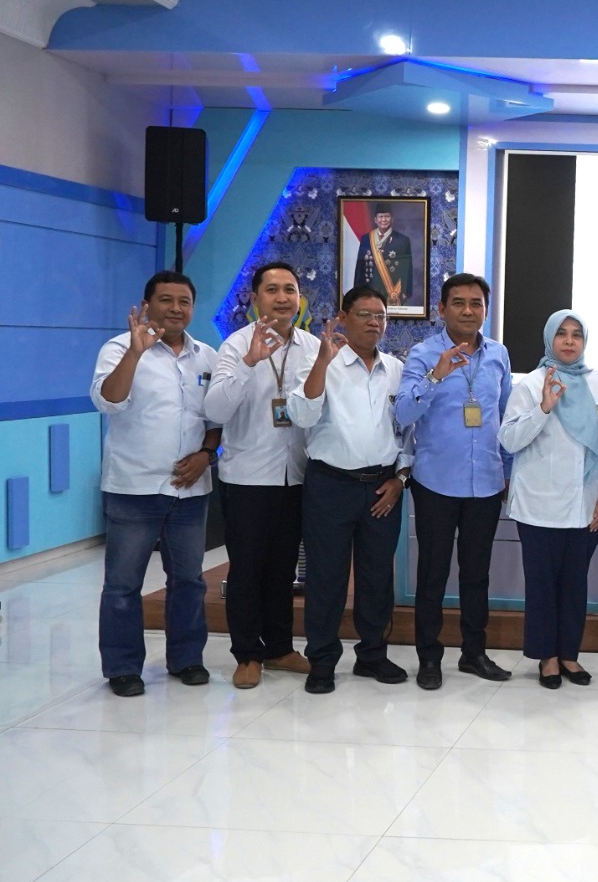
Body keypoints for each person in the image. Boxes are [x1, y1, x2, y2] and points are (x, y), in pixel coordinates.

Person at [90, 270, 221, 697]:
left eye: (184, 301)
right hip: (133, 488)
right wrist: (135, 353)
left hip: (190, 490)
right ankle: (123, 667)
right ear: (147, 305)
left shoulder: (207, 357)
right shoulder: (119, 348)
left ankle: (186, 658)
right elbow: (109, 401)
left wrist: (206, 455)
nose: (176, 309)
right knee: (123, 584)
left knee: (189, 581)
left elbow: (216, 420)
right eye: (166, 300)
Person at [394, 273, 514, 690]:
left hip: (486, 482)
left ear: (486, 310)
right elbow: (403, 413)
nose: (468, 310)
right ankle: (429, 658)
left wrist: (508, 471)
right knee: (432, 574)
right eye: (458, 303)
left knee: (476, 575)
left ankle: (473, 653)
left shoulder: (498, 355)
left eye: (476, 303)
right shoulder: (423, 354)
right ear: (442, 309)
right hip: (436, 483)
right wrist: (436, 376)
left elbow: (505, 416)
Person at [288, 286, 410, 694]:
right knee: (327, 577)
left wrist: (400, 479)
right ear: (342, 318)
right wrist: (322, 363)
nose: (375, 322)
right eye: (365, 314)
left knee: (377, 577)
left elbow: (409, 431)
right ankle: (322, 661)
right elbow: (301, 415)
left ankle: (372, 655)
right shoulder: (321, 362)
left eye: (381, 316)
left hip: (382, 488)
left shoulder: (396, 369)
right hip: (331, 486)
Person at [203, 261, 317, 689]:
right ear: (255, 298)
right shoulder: (235, 346)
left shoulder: (312, 347)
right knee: (247, 570)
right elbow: (215, 410)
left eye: (290, 289)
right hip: (248, 477)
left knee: (284, 569)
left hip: (297, 475)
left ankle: (280, 648)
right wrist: (251, 362)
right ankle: (247, 653)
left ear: (300, 297)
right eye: (272, 290)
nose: (283, 298)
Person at [500, 310, 598, 689]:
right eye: (561, 334)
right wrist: (544, 408)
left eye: (576, 334)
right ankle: (546, 657)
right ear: (550, 339)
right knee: (542, 585)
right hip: (539, 505)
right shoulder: (532, 384)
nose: (569, 341)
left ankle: (569, 654)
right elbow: (509, 440)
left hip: (586, 504)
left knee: (574, 585)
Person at [353, 204, 415, 307]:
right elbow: (360, 266)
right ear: (375, 219)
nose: (384, 220)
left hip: (393, 293)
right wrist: (357, 290)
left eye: (387, 216)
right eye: (380, 216)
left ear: (392, 219)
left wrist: (406, 292)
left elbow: (407, 268)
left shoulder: (402, 240)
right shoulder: (366, 238)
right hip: (370, 291)